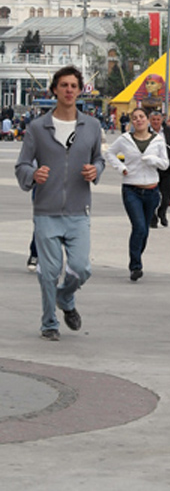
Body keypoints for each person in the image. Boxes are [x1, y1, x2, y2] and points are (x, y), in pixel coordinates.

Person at [15, 66, 105, 340]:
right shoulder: (37, 128)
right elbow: (21, 166)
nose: (68, 90)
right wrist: (34, 174)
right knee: (49, 272)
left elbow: (99, 158)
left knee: (81, 268)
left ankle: (65, 300)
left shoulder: (92, 126)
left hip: (79, 211)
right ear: (54, 89)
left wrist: (96, 171)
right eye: (63, 85)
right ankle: (49, 324)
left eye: (73, 86)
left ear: (80, 90)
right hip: (46, 211)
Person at [106, 108, 169, 281]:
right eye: (135, 118)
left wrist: (153, 160)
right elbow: (110, 153)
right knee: (139, 226)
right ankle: (135, 266)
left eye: (141, 117)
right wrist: (121, 167)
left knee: (145, 231)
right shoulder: (125, 139)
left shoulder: (158, 140)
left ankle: (137, 256)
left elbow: (165, 164)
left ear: (148, 120)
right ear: (131, 122)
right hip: (131, 188)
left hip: (151, 190)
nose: (138, 120)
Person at [149, 110, 170, 227]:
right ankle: (152, 217)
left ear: (162, 120)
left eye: (158, 119)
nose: (155, 122)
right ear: (150, 120)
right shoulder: (145, 132)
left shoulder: (168, 131)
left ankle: (162, 212)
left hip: (167, 167)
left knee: (168, 193)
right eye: (153, 120)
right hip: (151, 168)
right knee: (152, 195)